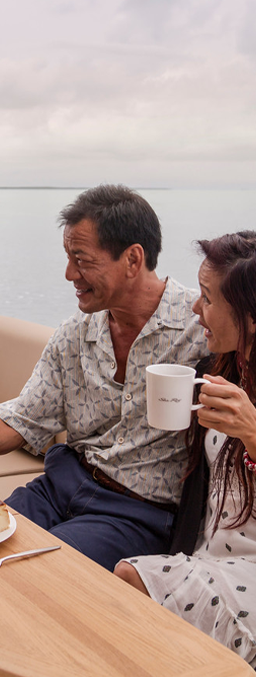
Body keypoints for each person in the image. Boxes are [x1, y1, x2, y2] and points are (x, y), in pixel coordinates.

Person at [0, 184, 209, 570]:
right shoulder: (74, 334)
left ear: (132, 259)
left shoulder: (202, 330)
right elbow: (19, 422)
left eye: (82, 259)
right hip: (60, 487)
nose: (69, 273)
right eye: (67, 257)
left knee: (26, 571)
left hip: (138, 514)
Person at [115, 232, 256, 667]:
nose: (196, 309)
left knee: (128, 577)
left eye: (209, 299)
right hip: (209, 554)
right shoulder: (220, 370)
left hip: (248, 570)